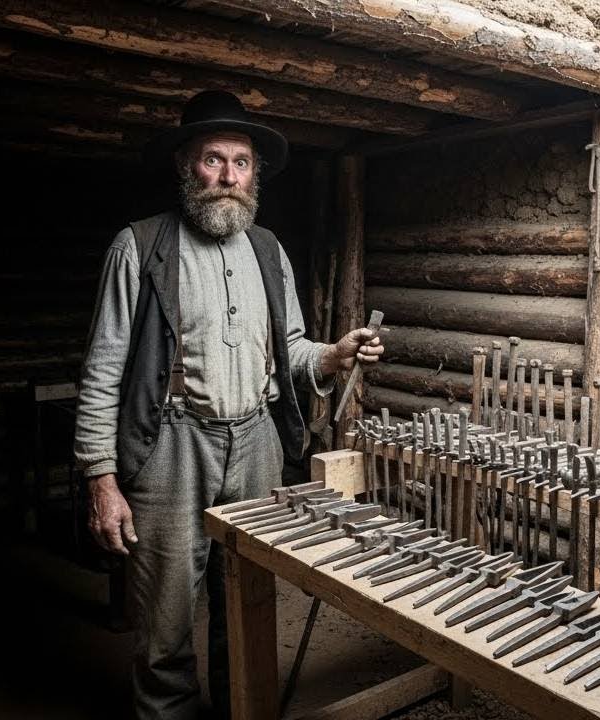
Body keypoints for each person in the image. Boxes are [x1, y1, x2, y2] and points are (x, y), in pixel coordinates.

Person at [73, 89, 383, 719]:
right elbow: (102, 369)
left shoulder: (268, 249)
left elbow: (291, 348)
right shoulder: (139, 246)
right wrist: (101, 479)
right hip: (171, 445)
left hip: (255, 444)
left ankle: (243, 708)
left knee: (248, 600)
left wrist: (332, 355)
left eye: (240, 163)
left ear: (254, 175)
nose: (228, 176)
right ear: (185, 165)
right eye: (213, 160)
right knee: (165, 617)